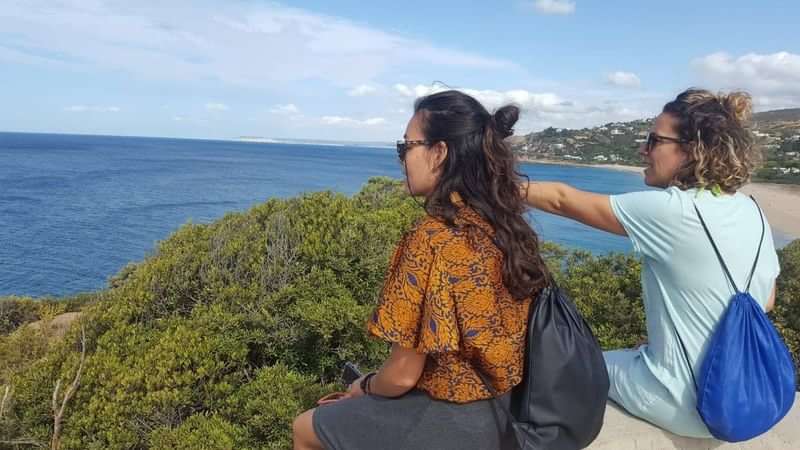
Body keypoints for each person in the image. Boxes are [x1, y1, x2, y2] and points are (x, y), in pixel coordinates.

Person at [292, 90, 549, 450]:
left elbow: (401, 375)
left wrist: (363, 386)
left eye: (406, 147)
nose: (401, 159)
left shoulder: (432, 238)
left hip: (454, 419)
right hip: (504, 407)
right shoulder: (506, 227)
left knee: (306, 428)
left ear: (439, 152)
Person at [521, 88, 780, 438]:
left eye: (654, 140)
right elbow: (765, 301)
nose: (643, 150)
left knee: (559, 365)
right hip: (741, 400)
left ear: (691, 150)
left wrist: (481, 182)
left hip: (681, 404)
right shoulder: (753, 211)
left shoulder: (674, 211)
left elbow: (560, 200)